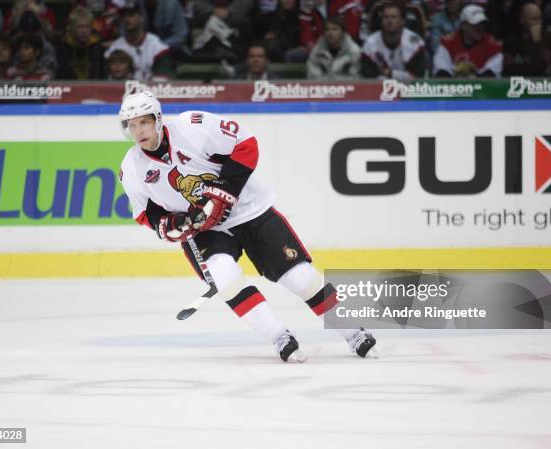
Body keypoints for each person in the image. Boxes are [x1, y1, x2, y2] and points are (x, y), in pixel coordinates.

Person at [117, 91, 378, 362]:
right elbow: (148, 215)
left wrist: (225, 190)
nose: (138, 131)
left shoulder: (192, 126)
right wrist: (172, 224)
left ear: (158, 120)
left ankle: (354, 332)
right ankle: (280, 337)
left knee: (300, 278)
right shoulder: (131, 168)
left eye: (144, 122)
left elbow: (246, 143)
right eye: (131, 125)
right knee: (226, 279)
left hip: (250, 210)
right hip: (206, 230)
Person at [104, 2, 173, 80]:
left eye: (131, 15)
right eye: (124, 16)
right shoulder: (115, 48)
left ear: (142, 18)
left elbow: (162, 80)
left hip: (150, 90)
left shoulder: (156, 46)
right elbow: (108, 82)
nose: (126, 19)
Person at [433, 4, 503, 78]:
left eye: (482, 24)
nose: (480, 28)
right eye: (475, 24)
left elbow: (491, 76)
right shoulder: (448, 43)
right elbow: (441, 72)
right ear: (463, 26)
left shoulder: (493, 46)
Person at [361, 2, 426, 80]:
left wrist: (391, 73)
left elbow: (418, 77)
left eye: (394, 17)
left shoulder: (415, 44)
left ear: (402, 21)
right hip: (378, 90)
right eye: (386, 17)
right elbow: (368, 79)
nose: (389, 21)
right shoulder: (370, 44)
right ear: (381, 20)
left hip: (409, 89)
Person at [56, 5, 105, 80]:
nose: (84, 31)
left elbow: (101, 74)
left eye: (87, 26)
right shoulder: (64, 46)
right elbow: (61, 75)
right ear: (72, 28)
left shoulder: (97, 47)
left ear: (91, 28)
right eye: (80, 27)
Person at [502, 1, 549, 76]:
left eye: (540, 18)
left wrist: (537, 43)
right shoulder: (511, 42)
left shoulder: (545, 39)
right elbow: (509, 70)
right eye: (533, 19)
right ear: (522, 20)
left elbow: (544, 68)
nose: (538, 23)